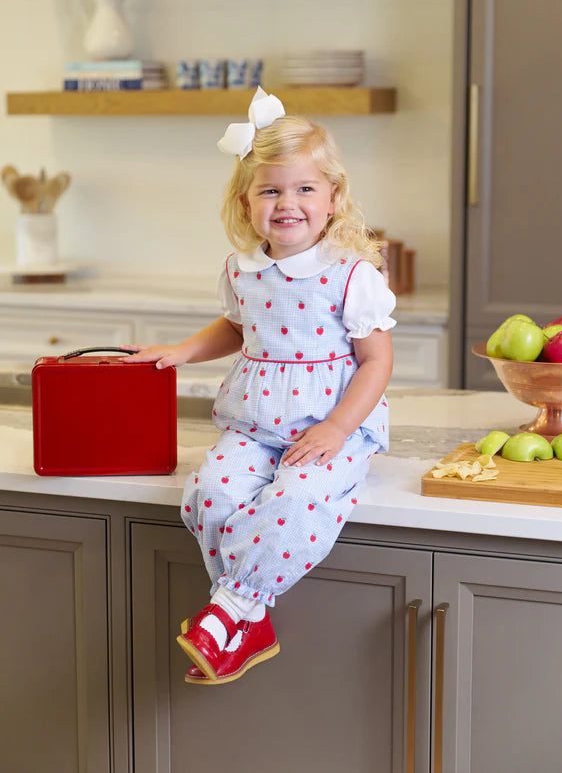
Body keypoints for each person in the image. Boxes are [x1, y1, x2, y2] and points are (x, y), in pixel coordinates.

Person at [123, 87, 396, 685]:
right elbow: (236, 326)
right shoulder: (241, 269)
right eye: (270, 190)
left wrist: (338, 427)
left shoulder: (351, 275)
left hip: (329, 425)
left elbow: (377, 360)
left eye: (305, 189)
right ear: (245, 202)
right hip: (254, 419)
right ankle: (247, 622)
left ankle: (230, 612)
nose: (287, 203)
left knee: (294, 501)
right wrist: (182, 351)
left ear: (333, 197)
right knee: (209, 495)